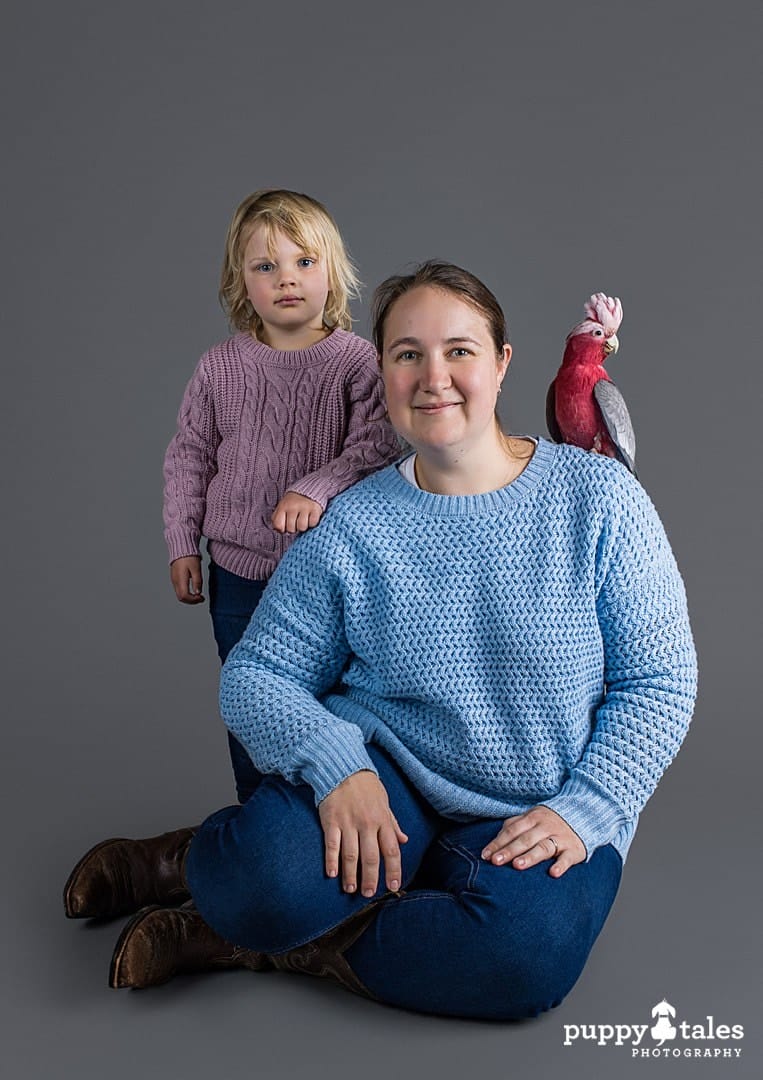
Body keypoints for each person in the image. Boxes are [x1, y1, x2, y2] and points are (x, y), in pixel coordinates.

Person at [64, 262, 696, 1020]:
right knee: (253, 880)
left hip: (542, 803)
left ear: (500, 364)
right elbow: (256, 674)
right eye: (407, 354)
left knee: (522, 957)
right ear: (384, 373)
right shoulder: (353, 525)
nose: (434, 376)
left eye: (459, 350)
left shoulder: (598, 499)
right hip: (383, 784)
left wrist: (589, 807)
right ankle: (202, 875)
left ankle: (276, 940)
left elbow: (658, 682)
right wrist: (336, 767)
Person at [162, 188, 398, 803]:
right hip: (238, 573)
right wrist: (183, 543)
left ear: (332, 271)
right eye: (265, 266)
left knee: (327, 710)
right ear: (241, 281)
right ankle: (257, 829)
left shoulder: (357, 364)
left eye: (303, 262)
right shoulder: (219, 368)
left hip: (326, 576)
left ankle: (331, 828)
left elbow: (376, 448)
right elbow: (189, 457)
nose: (285, 279)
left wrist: (315, 488)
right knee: (250, 707)